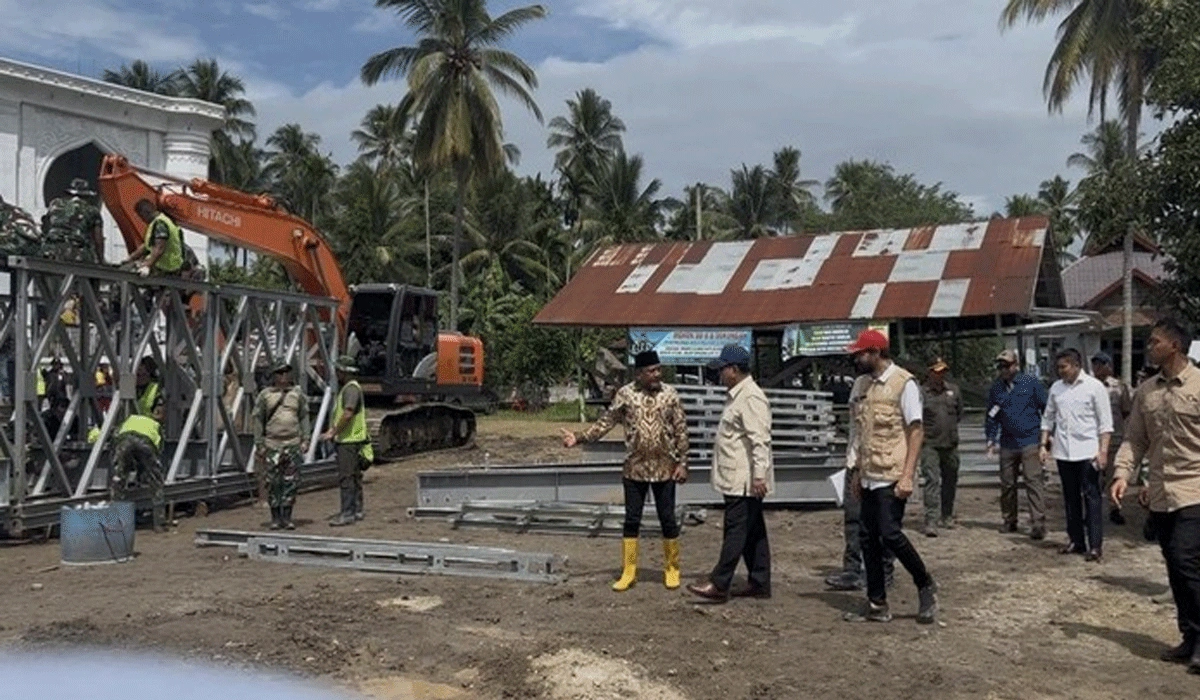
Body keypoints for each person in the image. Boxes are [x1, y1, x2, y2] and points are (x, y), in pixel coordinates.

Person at [1111, 319, 1200, 672]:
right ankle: (1190, 637)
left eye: (1154, 341)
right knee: (1175, 569)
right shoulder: (1147, 390)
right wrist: (1122, 474)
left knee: (1185, 560)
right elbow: (1135, 439)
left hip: (1195, 488)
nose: (1149, 347)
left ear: (1175, 346)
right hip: (1161, 491)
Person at [563, 350, 689, 591]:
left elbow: (681, 429)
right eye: (651, 371)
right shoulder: (626, 395)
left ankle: (672, 568)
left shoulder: (670, 394)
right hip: (635, 468)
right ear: (639, 373)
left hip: (665, 467)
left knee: (668, 518)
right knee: (632, 519)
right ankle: (629, 570)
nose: (657, 374)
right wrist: (578, 438)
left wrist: (683, 463)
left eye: (658, 370)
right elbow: (605, 423)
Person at [841, 329, 938, 625]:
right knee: (867, 538)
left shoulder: (903, 384)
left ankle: (925, 584)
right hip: (868, 473)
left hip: (892, 474)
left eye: (860, 353)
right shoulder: (860, 384)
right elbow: (857, 431)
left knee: (890, 533)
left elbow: (916, 430)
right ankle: (877, 603)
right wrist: (855, 470)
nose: (856, 358)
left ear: (876, 353)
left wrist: (908, 475)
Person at [687, 344, 773, 602]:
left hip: (744, 479)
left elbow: (760, 440)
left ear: (734, 370)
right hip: (737, 476)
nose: (720, 374)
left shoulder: (750, 398)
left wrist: (759, 475)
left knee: (735, 530)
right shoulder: (737, 395)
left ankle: (719, 582)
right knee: (753, 530)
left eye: (722, 369)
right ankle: (760, 581)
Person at [1040, 348, 1113, 562]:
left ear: (1076, 365)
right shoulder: (1056, 388)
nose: (1060, 371)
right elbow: (1048, 417)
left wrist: (1103, 451)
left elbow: (1105, 424)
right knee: (1070, 498)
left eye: (1064, 367)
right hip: (1064, 452)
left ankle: (1095, 545)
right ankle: (1076, 540)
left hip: (1088, 452)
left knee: (1092, 498)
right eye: (1058, 367)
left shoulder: (1094, 387)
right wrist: (1043, 444)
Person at [986, 349, 1049, 539]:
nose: (1003, 369)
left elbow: (1046, 409)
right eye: (1000, 366)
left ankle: (1038, 523)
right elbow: (991, 416)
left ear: (1016, 365)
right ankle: (1009, 520)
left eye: (1007, 365)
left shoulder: (1031, 384)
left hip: (1030, 440)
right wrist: (990, 439)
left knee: (1033, 481)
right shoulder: (996, 389)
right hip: (1007, 443)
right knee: (1007, 484)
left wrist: (1046, 438)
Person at [253, 360, 309, 530]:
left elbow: (304, 417)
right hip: (272, 444)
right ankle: (276, 518)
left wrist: (305, 439)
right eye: (280, 373)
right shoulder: (266, 395)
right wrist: (259, 443)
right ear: (274, 375)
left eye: (286, 372)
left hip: (292, 443)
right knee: (273, 482)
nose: (283, 376)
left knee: (291, 482)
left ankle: (287, 517)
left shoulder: (297, 394)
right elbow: (258, 420)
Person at [919, 357, 963, 537]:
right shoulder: (922, 393)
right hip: (930, 444)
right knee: (932, 481)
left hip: (951, 445)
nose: (940, 375)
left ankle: (947, 515)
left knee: (950, 481)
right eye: (937, 371)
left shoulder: (954, 391)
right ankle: (931, 519)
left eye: (943, 371)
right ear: (929, 372)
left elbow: (959, 414)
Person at [322, 355, 368, 526]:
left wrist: (333, 431)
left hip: (348, 440)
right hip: (354, 439)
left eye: (338, 370)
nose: (336, 373)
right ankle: (356, 510)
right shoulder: (351, 388)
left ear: (344, 371)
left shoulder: (350, 389)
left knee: (347, 477)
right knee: (354, 476)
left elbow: (347, 413)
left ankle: (348, 512)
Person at [110, 396, 167, 532]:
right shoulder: (156, 426)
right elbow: (157, 452)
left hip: (124, 440)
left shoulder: (132, 418)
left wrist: (124, 466)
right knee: (156, 482)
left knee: (118, 479)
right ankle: (159, 523)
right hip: (146, 443)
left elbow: (115, 438)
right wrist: (146, 473)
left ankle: (116, 521)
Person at [1091, 352, 1133, 525]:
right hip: (1092, 440)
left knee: (1112, 477)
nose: (1098, 368)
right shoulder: (1089, 385)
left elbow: (1125, 411)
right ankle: (1092, 511)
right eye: (1095, 365)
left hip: (1114, 439)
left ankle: (1114, 509)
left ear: (1109, 366)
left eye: (1101, 364)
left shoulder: (1119, 387)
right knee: (1092, 478)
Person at [121, 199, 202, 281]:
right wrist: (130, 258)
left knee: (134, 274)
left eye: (141, 217)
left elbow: (159, 248)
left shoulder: (160, 224)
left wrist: (147, 266)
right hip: (163, 264)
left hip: (168, 265)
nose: (142, 220)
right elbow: (146, 246)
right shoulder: (157, 223)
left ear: (146, 212)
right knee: (134, 268)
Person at [41, 178, 103, 264]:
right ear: (87, 196)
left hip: (50, 250)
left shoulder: (55, 204)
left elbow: (45, 227)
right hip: (75, 252)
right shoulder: (92, 210)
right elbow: (98, 241)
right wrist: (101, 261)